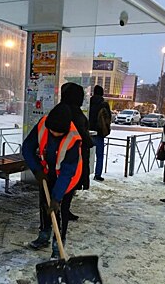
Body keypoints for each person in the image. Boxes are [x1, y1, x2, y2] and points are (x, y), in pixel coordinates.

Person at [22, 103, 82, 259]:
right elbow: (27, 147)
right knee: (44, 204)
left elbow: (67, 172)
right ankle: (44, 235)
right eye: (52, 131)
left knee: (59, 209)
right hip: (47, 172)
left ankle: (58, 245)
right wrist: (37, 169)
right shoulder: (43, 125)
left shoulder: (73, 139)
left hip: (68, 177)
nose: (54, 134)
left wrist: (56, 198)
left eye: (58, 133)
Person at [60, 82, 94, 221]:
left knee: (67, 183)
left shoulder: (62, 109)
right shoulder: (74, 112)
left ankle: (64, 209)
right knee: (70, 183)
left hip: (65, 152)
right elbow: (80, 133)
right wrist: (89, 141)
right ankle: (63, 210)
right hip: (75, 154)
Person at [89, 85, 111, 181]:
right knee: (100, 155)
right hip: (99, 133)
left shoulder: (88, 102)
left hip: (88, 132)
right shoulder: (104, 104)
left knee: (85, 154)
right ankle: (97, 174)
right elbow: (108, 118)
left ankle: (84, 172)